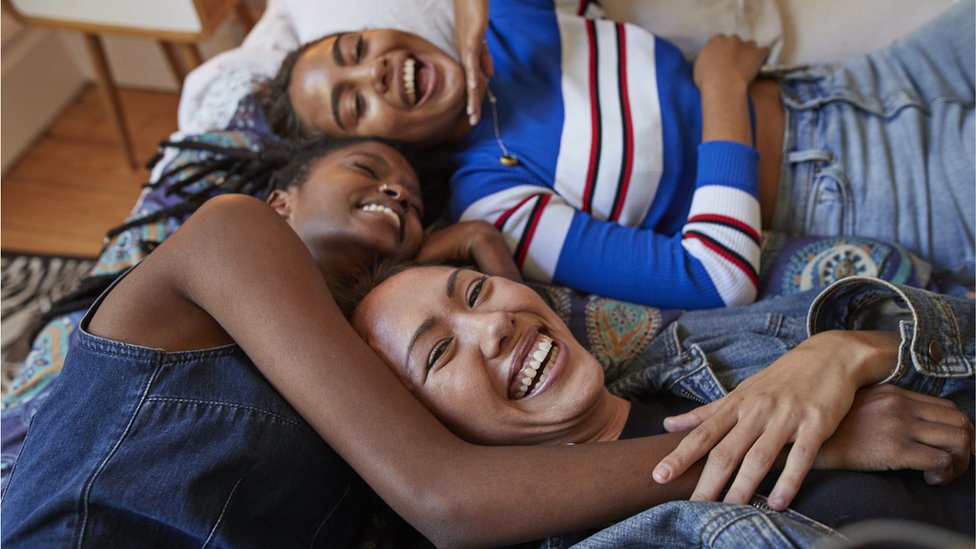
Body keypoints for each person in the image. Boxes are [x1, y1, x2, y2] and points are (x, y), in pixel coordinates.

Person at [1, 134, 854, 548]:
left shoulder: (363, 387)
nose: (396, 192)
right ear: (281, 201)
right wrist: (795, 437)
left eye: (412, 196)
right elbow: (446, 498)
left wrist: (478, 265)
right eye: (365, 169)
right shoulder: (231, 237)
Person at [267, 0, 975, 309]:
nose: (377, 71)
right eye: (355, 102)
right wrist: (720, 84)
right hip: (851, 184)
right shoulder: (496, 199)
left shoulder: (508, 27)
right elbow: (715, 277)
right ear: (373, 143)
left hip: (864, 79)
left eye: (357, 50)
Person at [347, 262, 976, 542]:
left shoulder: (696, 345)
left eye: (477, 291)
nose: (492, 327)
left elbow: (964, 330)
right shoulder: (615, 538)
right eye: (437, 353)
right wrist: (819, 449)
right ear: (423, 433)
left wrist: (846, 352)